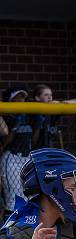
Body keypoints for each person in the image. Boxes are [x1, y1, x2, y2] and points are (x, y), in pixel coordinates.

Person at [0, 87, 33, 217]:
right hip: (12, 158)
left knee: (28, 195)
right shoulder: (6, 116)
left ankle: (26, 228)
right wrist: (15, 126)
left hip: (27, 157)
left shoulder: (28, 115)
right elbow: (4, 143)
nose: (21, 100)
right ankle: (11, 229)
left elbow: (33, 140)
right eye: (17, 98)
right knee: (13, 198)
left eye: (22, 97)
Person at [31, 84, 76, 150]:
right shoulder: (33, 111)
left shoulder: (53, 110)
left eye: (50, 95)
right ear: (37, 98)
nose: (49, 97)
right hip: (35, 151)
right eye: (46, 95)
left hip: (50, 149)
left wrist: (62, 103)